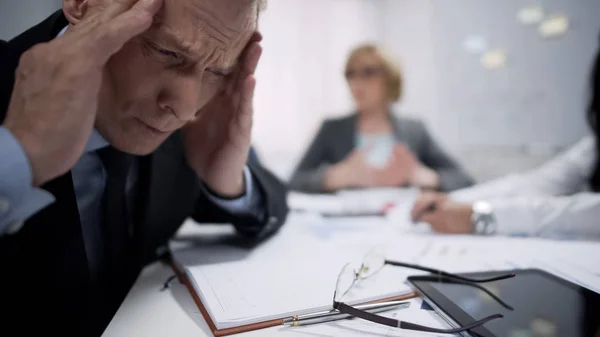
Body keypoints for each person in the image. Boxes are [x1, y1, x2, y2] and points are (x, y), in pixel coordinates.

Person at [0, 0, 289, 336]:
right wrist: (18, 158)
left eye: (218, 70)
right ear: (82, 5)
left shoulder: (195, 129)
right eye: (166, 51)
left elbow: (271, 200)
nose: (185, 107)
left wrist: (228, 183)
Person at [410, 45, 600, 240]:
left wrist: (479, 214)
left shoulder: (412, 129)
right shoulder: (592, 148)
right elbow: (536, 183)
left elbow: (461, 178)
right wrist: (450, 201)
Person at [289, 44, 473, 193]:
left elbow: (463, 178)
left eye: (368, 72)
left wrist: (425, 176)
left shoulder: (414, 129)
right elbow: (294, 181)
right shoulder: (332, 128)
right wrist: (333, 177)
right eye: (350, 74)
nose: (356, 82)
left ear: (390, 77)